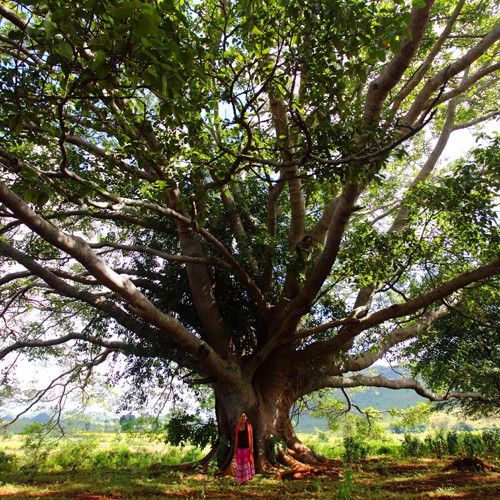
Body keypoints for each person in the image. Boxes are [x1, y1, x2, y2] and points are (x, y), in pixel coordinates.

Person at [234, 411, 255, 484]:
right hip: (239, 447)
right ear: (240, 418)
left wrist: (251, 448)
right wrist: (235, 448)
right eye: (242, 416)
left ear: (246, 417)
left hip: (247, 447)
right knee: (240, 462)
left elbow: (251, 437)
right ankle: (240, 479)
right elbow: (236, 437)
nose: (243, 418)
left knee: (246, 462)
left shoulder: (249, 426)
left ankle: (246, 479)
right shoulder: (238, 426)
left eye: (244, 416)